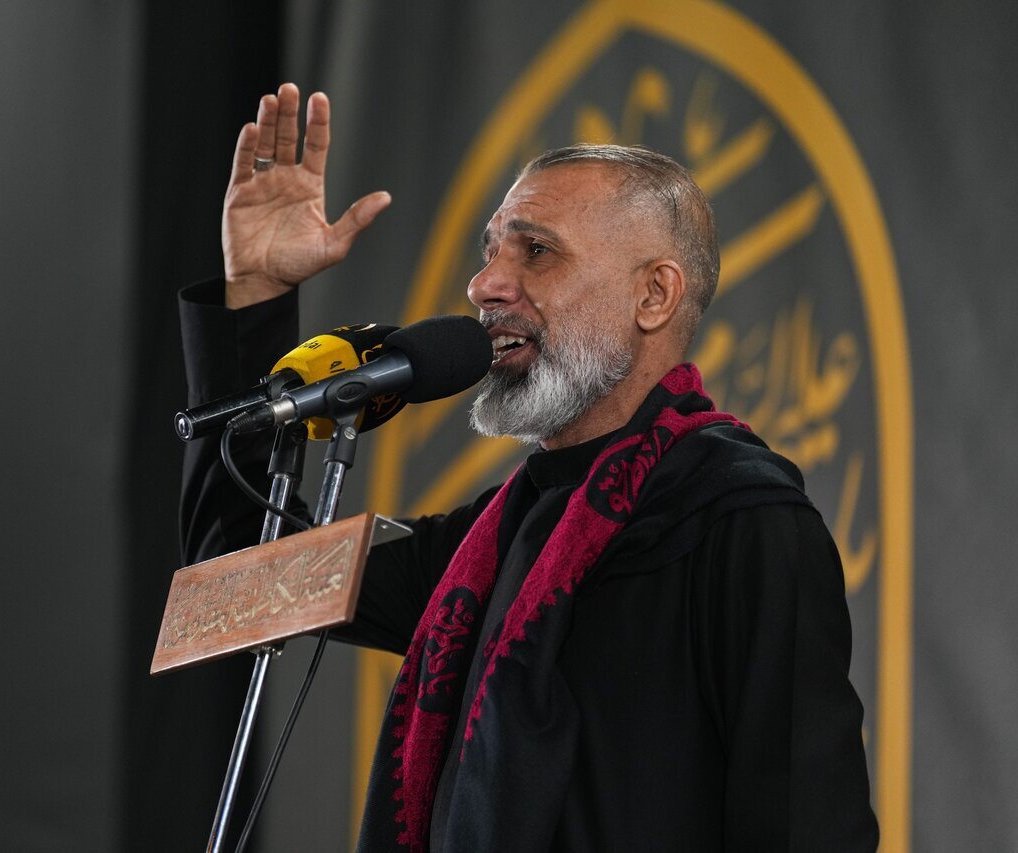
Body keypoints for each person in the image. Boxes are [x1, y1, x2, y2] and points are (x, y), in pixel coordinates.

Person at [179, 82, 878, 852]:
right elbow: (236, 581)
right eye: (491, 251)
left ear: (654, 295)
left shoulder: (746, 523)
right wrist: (256, 292)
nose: (483, 286)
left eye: (535, 251)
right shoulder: (487, 544)